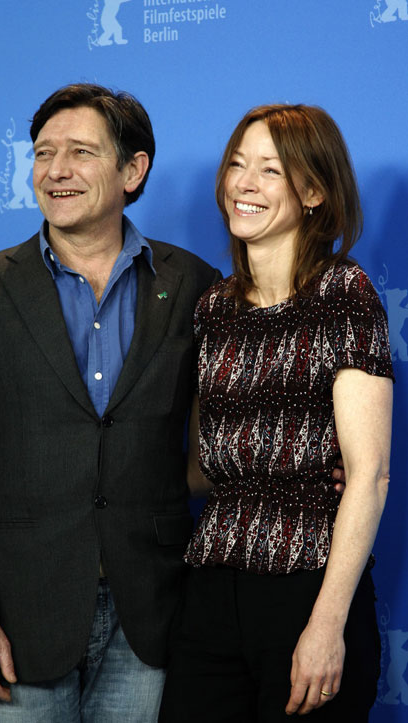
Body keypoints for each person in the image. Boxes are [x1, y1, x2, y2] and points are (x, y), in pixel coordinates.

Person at [0, 83, 220, 722]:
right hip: (23, 613)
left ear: (134, 169)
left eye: (81, 152)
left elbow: (221, 435)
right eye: (44, 153)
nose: (57, 171)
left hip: (151, 608)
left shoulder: (193, 284)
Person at [159, 104, 394, 722]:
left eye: (270, 170)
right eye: (237, 165)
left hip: (307, 588)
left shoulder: (343, 293)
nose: (244, 184)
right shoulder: (214, 308)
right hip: (210, 589)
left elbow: (368, 475)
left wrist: (326, 625)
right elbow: (204, 468)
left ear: (314, 191)